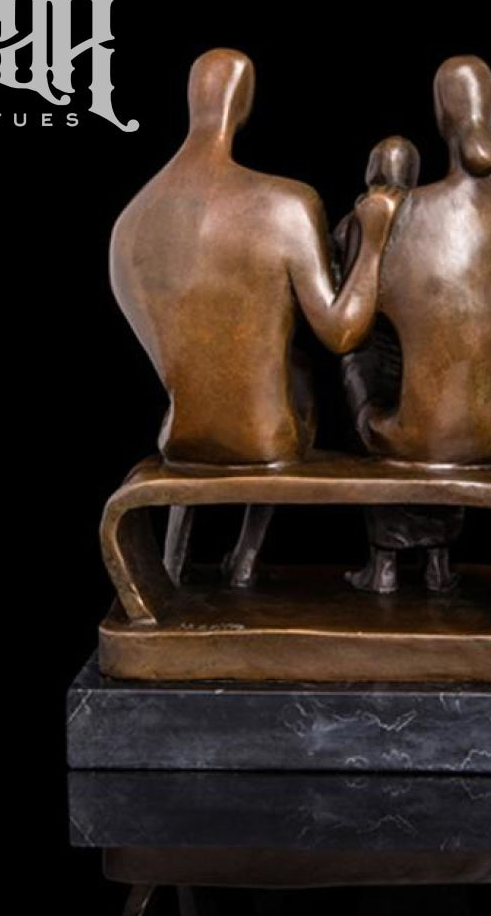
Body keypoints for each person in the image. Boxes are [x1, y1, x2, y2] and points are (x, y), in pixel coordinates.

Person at [110, 48, 403, 585]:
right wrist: (376, 237)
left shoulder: (130, 222)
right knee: (292, 377)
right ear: (242, 106)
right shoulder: (285, 203)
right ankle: (243, 558)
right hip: (265, 440)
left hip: (179, 438)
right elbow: (343, 332)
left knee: (223, 375)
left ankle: (176, 562)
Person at [341, 57, 491, 593]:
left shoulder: (410, 212)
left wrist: (369, 233)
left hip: (410, 435)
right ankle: (437, 564)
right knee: (443, 393)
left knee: (364, 364)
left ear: (442, 115)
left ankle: (385, 561)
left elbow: (351, 322)